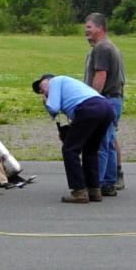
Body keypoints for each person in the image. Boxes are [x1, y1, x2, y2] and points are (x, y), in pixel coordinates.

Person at [32, 73, 115, 203]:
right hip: (106, 109)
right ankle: (94, 190)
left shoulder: (55, 81)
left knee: (69, 150)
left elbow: (53, 108)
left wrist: (45, 101)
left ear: (48, 80)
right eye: (39, 91)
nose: (41, 90)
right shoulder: (70, 87)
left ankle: (79, 191)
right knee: (90, 150)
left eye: (41, 86)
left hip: (89, 109)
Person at [82, 13, 125, 195]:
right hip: (114, 99)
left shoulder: (101, 48)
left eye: (89, 27)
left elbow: (101, 75)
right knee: (108, 141)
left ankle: (96, 183)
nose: (86, 30)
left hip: (106, 99)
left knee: (100, 142)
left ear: (100, 28)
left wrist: (91, 99)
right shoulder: (110, 47)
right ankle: (109, 182)